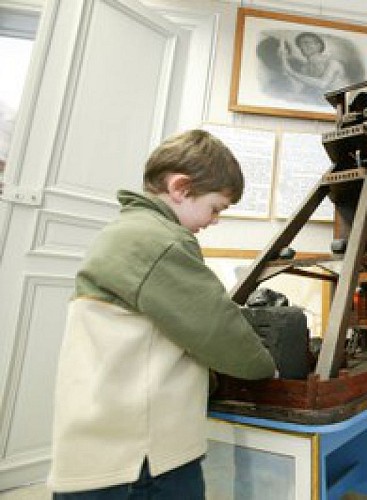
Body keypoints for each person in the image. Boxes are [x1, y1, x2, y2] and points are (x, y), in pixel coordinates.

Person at [48, 129, 277, 498]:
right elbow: (217, 328)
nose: (215, 220)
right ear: (181, 188)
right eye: (216, 207)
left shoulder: (126, 230)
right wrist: (266, 368)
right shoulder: (162, 242)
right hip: (141, 458)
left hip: (102, 445)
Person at [279, 31, 349, 99]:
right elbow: (304, 89)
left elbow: (322, 84)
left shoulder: (333, 63)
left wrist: (291, 72)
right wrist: (284, 59)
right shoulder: (305, 68)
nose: (302, 47)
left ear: (318, 45)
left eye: (306, 43)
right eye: (300, 45)